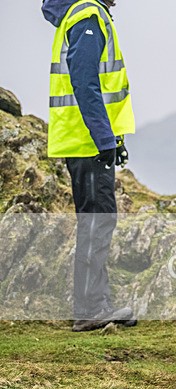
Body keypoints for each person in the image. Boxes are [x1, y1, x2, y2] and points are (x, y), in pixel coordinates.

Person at [42, 0, 136, 332]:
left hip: (86, 141)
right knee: (98, 220)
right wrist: (104, 140)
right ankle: (91, 307)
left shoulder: (84, 13)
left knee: (95, 219)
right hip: (88, 142)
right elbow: (85, 84)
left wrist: (115, 141)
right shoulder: (88, 15)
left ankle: (95, 303)